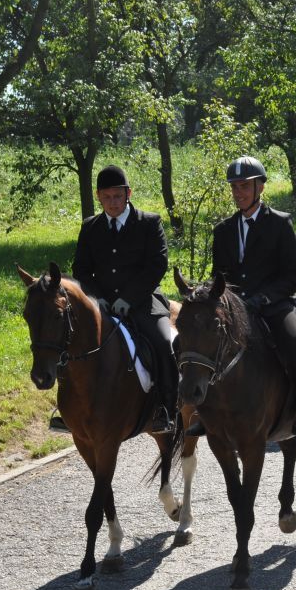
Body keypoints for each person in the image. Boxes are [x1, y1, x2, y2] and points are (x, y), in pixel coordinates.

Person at [211, 155, 296, 437]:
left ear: (261, 188)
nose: (238, 193)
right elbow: (218, 275)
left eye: (244, 186)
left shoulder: (280, 224)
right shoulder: (222, 231)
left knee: (293, 342)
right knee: (203, 345)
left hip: (272, 305)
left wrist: (263, 299)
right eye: (234, 187)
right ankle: (205, 410)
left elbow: (291, 277)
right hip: (234, 307)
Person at [71, 165, 177, 434]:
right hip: (103, 306)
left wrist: (129, 298)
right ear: (98, 197)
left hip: (142, 303)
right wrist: (98, 298)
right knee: (70, 343)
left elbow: (157, 265)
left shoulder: (149, 222)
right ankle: (68, 409)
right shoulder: (90, 227)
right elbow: (81, 270)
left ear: (128, 193)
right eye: (106, 197)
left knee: (165, 344)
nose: (112, 202)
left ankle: (166, 408)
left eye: (117, 196)